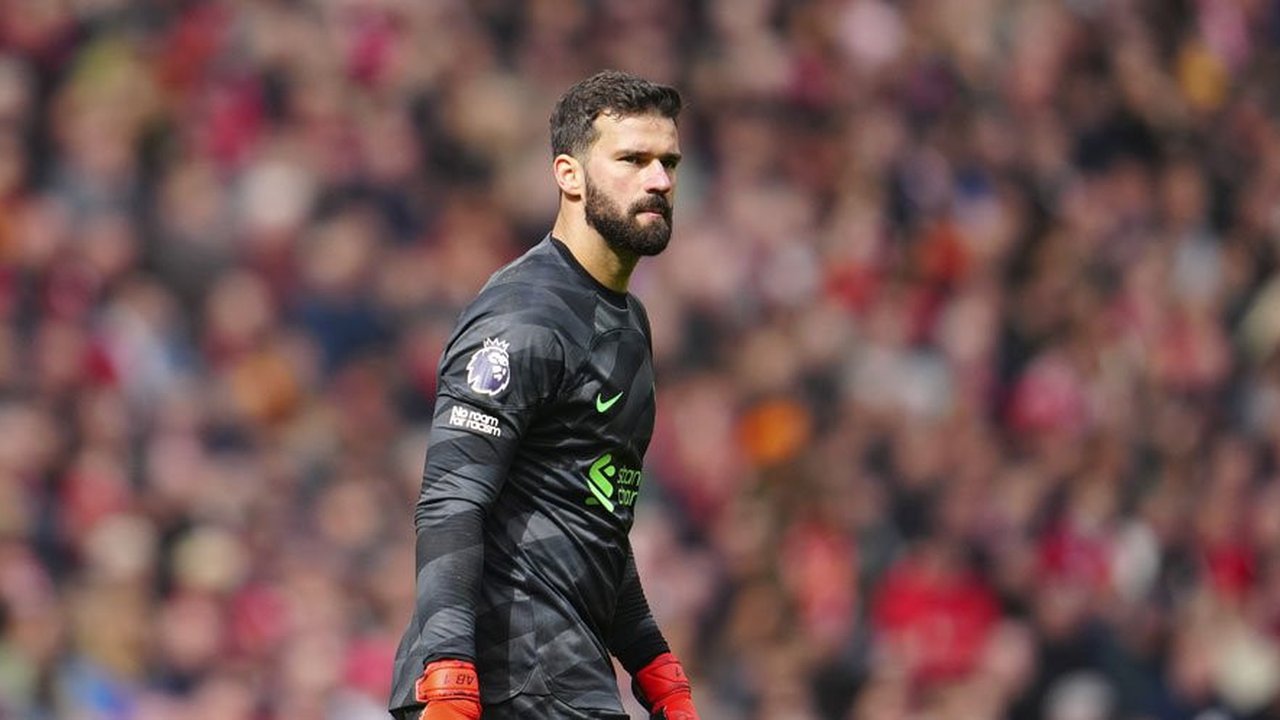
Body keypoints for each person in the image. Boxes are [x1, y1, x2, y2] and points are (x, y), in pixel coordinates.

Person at [389, 70, 700, 720]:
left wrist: (654, 665)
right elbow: (451, 500)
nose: (659, 180)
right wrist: (447, 670)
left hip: (567, 674)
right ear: (569, 175)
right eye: (633, 160)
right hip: (505, 679)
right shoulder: (523, 314)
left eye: (668, 162)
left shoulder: (628, 325)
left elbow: (594, 518)